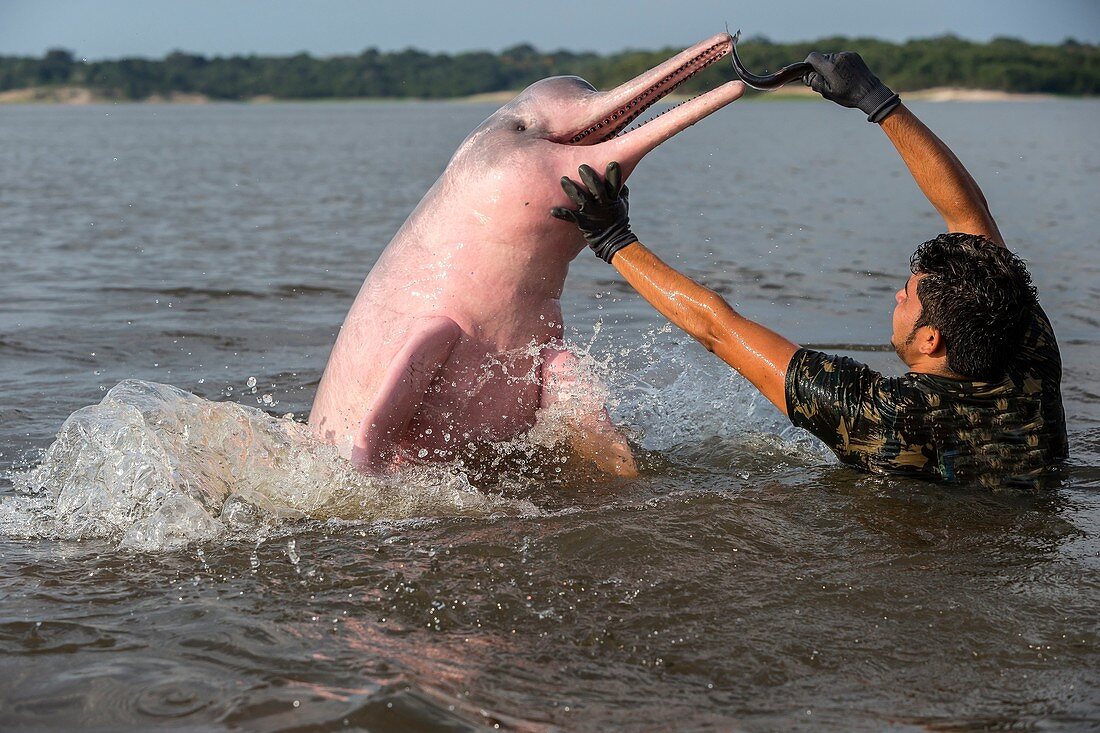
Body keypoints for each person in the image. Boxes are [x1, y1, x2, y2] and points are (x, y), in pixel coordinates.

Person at [550, 52, 1067, 488]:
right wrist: (877, 102)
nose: (897, 297)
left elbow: (719, 329)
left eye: (907, 297)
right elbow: (970, 223)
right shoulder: (1024, 347)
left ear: (931, 340)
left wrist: (612, 238)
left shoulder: (882, 414)